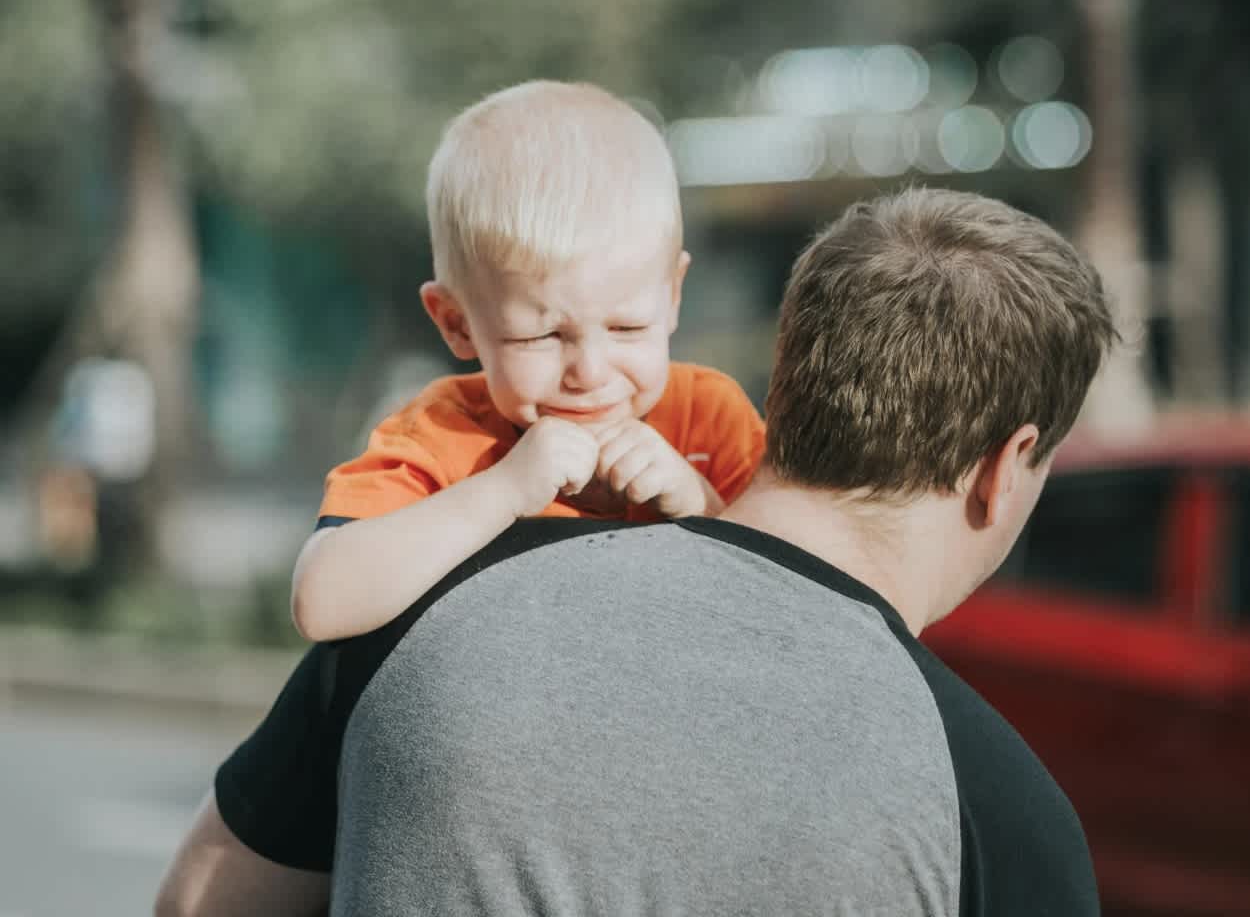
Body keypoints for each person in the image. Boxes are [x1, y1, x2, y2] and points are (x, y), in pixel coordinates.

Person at [156, 187, 1115, 916]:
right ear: (1007, 467)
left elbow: (199, 900)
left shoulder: (428, 610)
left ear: (783, 388)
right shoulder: (999, 812)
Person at [289, 80, 765, 642]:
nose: (589, 372)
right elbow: (323, 605)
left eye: (627, 327)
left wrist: (701, 505)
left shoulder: (710, 419)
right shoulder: (442, 436)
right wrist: (502, 490)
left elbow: (801, 603)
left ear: (673, 295)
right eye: (540, 336)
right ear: (456, 323)